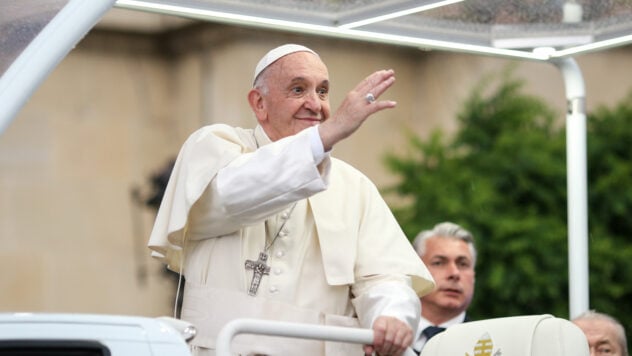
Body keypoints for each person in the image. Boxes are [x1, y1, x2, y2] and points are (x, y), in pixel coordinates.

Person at [147, 43, 435, 356]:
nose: (316, 104)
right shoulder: (214, 146)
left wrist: (390, 316)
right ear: (259, 103)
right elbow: (233, 192)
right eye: (299, 90)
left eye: (323, 92)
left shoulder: (355, 187)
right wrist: (330, 132)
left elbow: (384, 277)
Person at [410, 222, 476, 354]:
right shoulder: (376, 340)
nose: (454, 273)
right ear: (414, 271)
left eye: (463, 264)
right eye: (439, 263)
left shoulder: (492, 344)